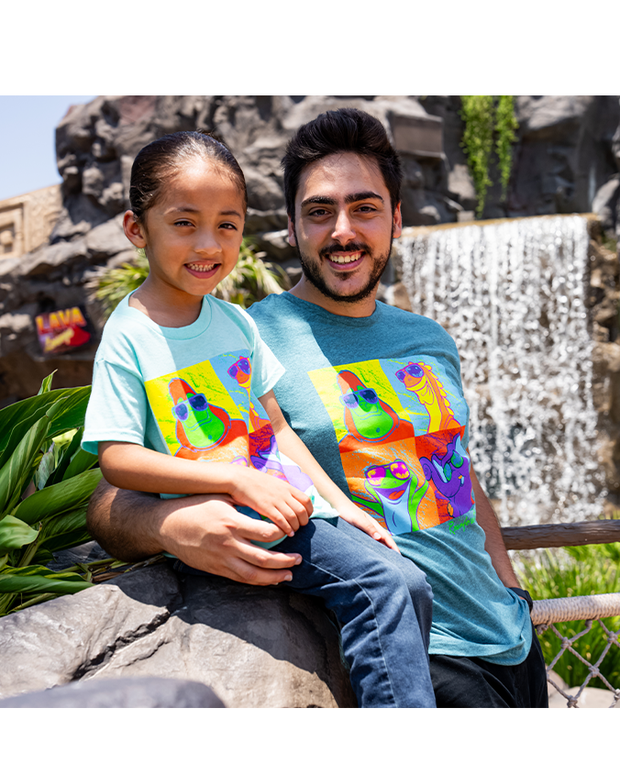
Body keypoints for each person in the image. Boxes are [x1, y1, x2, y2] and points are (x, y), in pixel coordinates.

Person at [87, 111, 549, 708]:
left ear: (397, 219)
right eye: (320, 211)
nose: (342, 230)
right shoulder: (241, 333)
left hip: (511, 637)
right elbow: (107, 496)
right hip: (412, 650)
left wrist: (512, 588)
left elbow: (455, 469)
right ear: (290, 228)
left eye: (364, 208)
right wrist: (170, 526)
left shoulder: (430, 338)